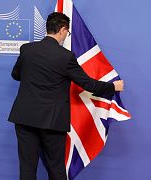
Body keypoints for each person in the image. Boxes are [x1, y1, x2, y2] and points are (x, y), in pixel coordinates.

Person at [8, 12, 124, 180]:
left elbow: (16, 75)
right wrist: (113, 86)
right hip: (52, 121)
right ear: (62, 29)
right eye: (67, 32)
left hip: (25, 117)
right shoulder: (65, 57)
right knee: (56, 168)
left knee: (27, 168)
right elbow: (89, 85)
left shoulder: (27, 49)